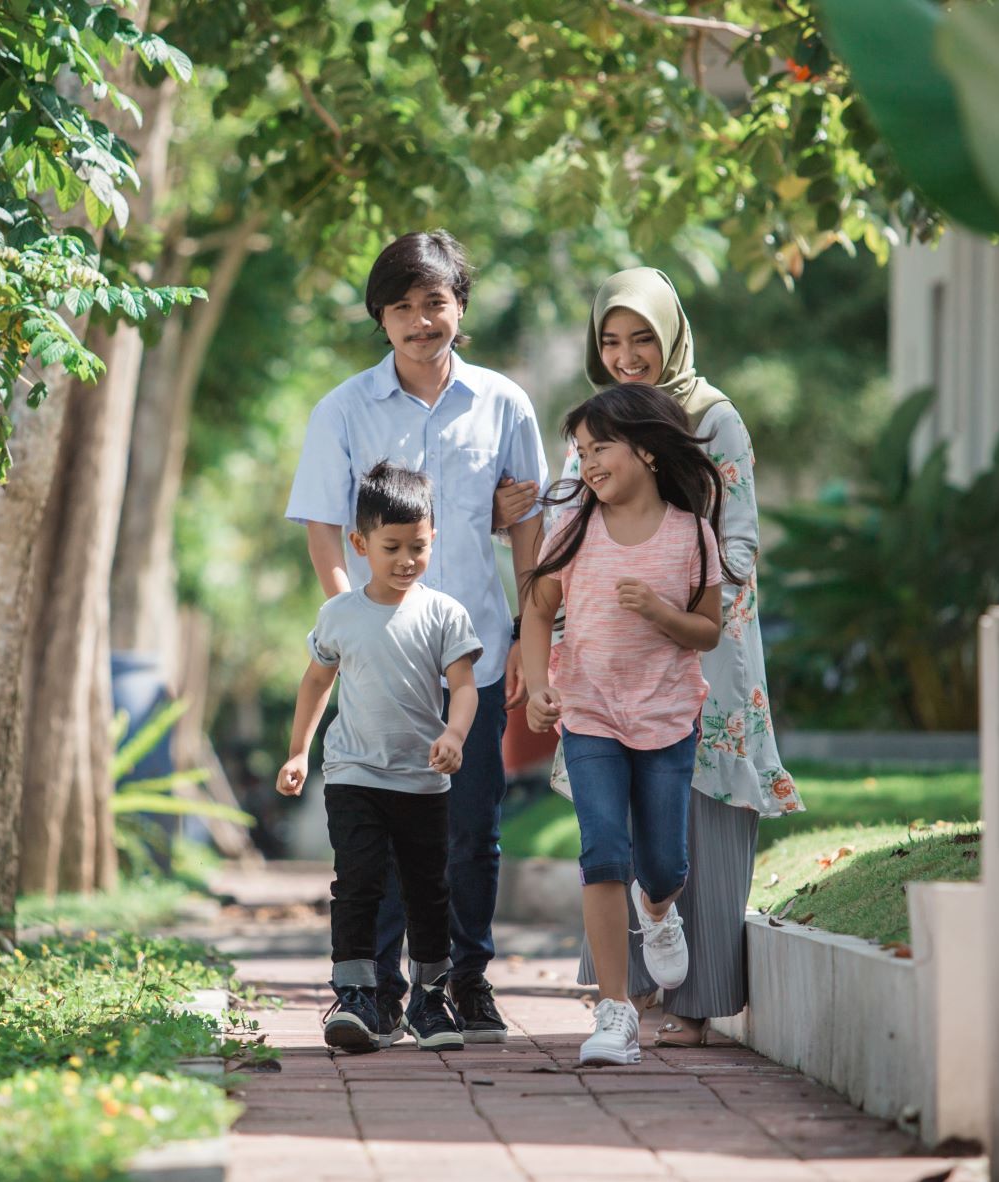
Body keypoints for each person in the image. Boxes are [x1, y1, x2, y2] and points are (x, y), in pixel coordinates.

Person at [285, 230, 549, 1044]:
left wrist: (534, 643)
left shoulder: (504, 404)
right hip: (378, 670)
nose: (419, 321)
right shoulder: (343, 409)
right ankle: (374, 994)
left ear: (459, 308)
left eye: (433, 303)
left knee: (470, 831)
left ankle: (464, 982)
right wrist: (354, 625)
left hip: (470, 656)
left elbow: (530, 527)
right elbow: (325, 527)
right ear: (380, 318)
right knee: (383, 837)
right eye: (400, 307)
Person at [575, 267, 804, 1046]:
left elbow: (738, 534)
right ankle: (629, 993)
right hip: (616, 646)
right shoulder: (600, 419)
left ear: (671, 334)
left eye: (642, 338)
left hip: (707, 639)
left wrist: (689, 598)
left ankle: (697, 1004)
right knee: (617, 811)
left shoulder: (713, 416)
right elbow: (579, 512)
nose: (627, 356)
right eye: (610, 340)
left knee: (696, 814)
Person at [519, 384, 738, 1067]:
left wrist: (659, 613)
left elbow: (705, 631)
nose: (585, 462)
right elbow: (535, 608)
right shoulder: (575, 529)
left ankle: (658, 911)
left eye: (599, 447)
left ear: (645, 448)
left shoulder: (689, 534)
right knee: (603, 852)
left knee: (664, 864)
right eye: (579, 451)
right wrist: (536, 685)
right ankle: (614, 1012)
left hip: (667, 719)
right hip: (589, 717)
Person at [278, 462, 482, 1053]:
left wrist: (456, 735)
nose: (406, 559)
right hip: (354, 775)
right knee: (359, 883)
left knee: (427, 891)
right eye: (391, 547)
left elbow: (464, 686)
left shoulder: (444, 613)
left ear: (433, 539)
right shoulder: (339, 615)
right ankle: (357, 996)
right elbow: (315, 684)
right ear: (360, 544)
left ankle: (430, 998)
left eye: (417, 546)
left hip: (422, 782)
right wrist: (298, 753)